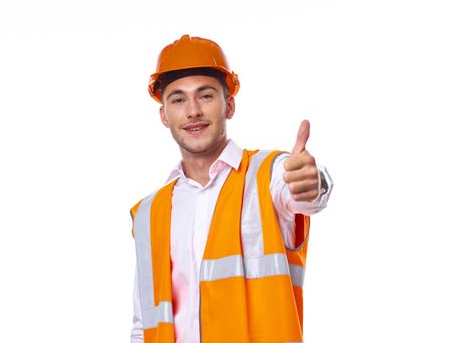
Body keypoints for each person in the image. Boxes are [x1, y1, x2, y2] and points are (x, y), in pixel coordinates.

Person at [130, 34, 333, 343]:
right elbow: (143, 324)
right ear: (164, 115)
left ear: (230, 105)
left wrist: (313, 183)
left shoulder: (268, 174)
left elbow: (301, 190)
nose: (193, 110)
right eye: (178, 99)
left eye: (206, 95)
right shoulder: (148, 213)